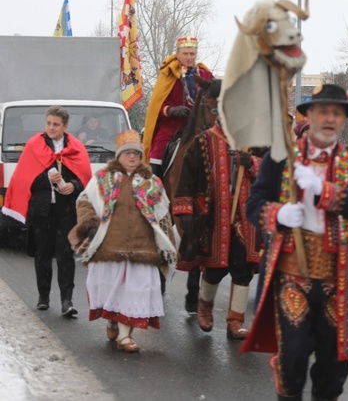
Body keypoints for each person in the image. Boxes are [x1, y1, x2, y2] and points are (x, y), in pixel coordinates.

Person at [241, 84, 348, 401]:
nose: (330, 118)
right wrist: (278, 214)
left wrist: (323, 190)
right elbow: (253, 205)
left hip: (338, 279)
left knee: (334, 366)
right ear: (309, 116)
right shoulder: (281, 159)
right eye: (324, 112)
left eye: (337, 113)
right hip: (292, 275)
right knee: (293, 356)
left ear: (344, 119)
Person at [68, 130, 177, 353]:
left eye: (135, 153)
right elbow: (84, 200)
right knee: (112, 290)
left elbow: (164, 213)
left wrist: (167, 244)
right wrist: (89, 224)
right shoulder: (102, 179)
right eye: (127, 153)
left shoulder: (151, 183)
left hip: (142, 248)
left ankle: (125, 337)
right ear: (118, 156)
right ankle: (111, 320)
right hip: (109, 247)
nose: (131, 157)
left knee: (134, 290)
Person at [172, 111, 263, 339]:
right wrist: (185, 210)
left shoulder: (255, 141)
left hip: (246, 217)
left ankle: (235, 320)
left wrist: (252, 163)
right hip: (213, 215)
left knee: (243, 269)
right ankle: (204, 307)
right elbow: (187, 179)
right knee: (215, 267)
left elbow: (275, 169)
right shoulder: (203, 141)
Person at [1, 105, 92, 316]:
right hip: (41, 209)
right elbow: (24, 178)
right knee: (42, 254)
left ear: (65, 126)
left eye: (56, 124)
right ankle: (43, 297)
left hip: (66, 210)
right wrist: (45, 178)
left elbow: (83, 176)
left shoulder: (76, 147)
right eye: (49, 123)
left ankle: (67, 301)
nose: (51, 128)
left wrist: (74, 186)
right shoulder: (35, 145)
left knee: (65, 255)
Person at [143, 36, 214, 178]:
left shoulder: (205, 74)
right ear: (178, 54)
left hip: (200, 125)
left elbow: (213, 98)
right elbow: (157, 104)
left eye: (192, 54)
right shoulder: (168, 74)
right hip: (173, 125)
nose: (189, 57)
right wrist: (171, 110)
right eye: (185, 54)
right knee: (157, 152)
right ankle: (156, 190)